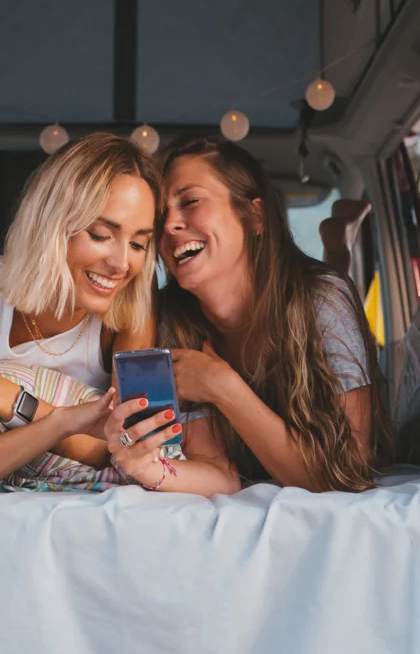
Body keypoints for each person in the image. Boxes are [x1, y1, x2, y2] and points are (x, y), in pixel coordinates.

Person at [0, 132, 239, 498]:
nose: (121, 264)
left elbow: (122, 446)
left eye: (139, 243)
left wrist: (3, 398)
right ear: (51, 225)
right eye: (101, 235)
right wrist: (62, 424)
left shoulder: (130, 308)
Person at [154, 136, 393, 493]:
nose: (169, 224)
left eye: (190, 201)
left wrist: (224, 387)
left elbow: (348, 472)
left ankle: (338, 247)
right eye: (160, 216)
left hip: (307, 292)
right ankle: (337, 246)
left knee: (327, 287)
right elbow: (209, 468)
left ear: (255, 216)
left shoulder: (323, 298)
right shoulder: (169, 319)